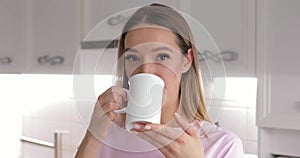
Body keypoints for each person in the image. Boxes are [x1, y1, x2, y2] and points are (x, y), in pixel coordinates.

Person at [75, 3, 244, 158]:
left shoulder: (223, 145)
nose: (146, 70)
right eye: (133, 57)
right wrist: (92, 135)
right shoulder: (106, 133)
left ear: (187, 60)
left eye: (162, 56)